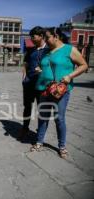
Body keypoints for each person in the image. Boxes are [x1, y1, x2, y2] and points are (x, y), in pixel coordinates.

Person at [30, 27, 88, 158]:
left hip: (60, 90)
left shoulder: (69, 49)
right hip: (43, 89)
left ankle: (62, 146)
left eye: (47, 37)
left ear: (56, 36)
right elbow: (45, 65)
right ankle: (39, 141)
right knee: (43, 117)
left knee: (59, 118)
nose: (45, 40)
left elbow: (84, 65)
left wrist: (70, 76)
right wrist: (41, 69)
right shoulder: (47, 51)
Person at [18, 26, 50, 140]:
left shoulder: (49, 50)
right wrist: (24, 78)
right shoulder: (30, 50)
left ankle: (40, 132)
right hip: (29, 84)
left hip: (43, 85)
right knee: (27, 107)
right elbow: (25, 65)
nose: (31, 38)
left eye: (33, 36)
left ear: (41, 36)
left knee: (42, 108)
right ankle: (25, 128)